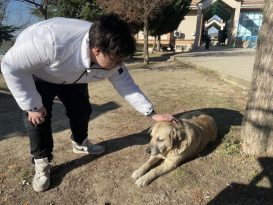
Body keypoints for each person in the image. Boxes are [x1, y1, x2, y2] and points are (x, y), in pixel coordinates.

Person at [1, 14, 175, 192]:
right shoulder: (50, 41)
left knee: (82, 110)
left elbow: (127, 85)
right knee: (38, 119)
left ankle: (80, 142)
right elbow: (11, 66)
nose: (119, 65)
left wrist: (151, 112)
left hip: (75, 77)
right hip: (40, 73)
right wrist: (32, 105)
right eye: (116, 60)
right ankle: (42, 162)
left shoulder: (111, 52)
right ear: (97, 50)